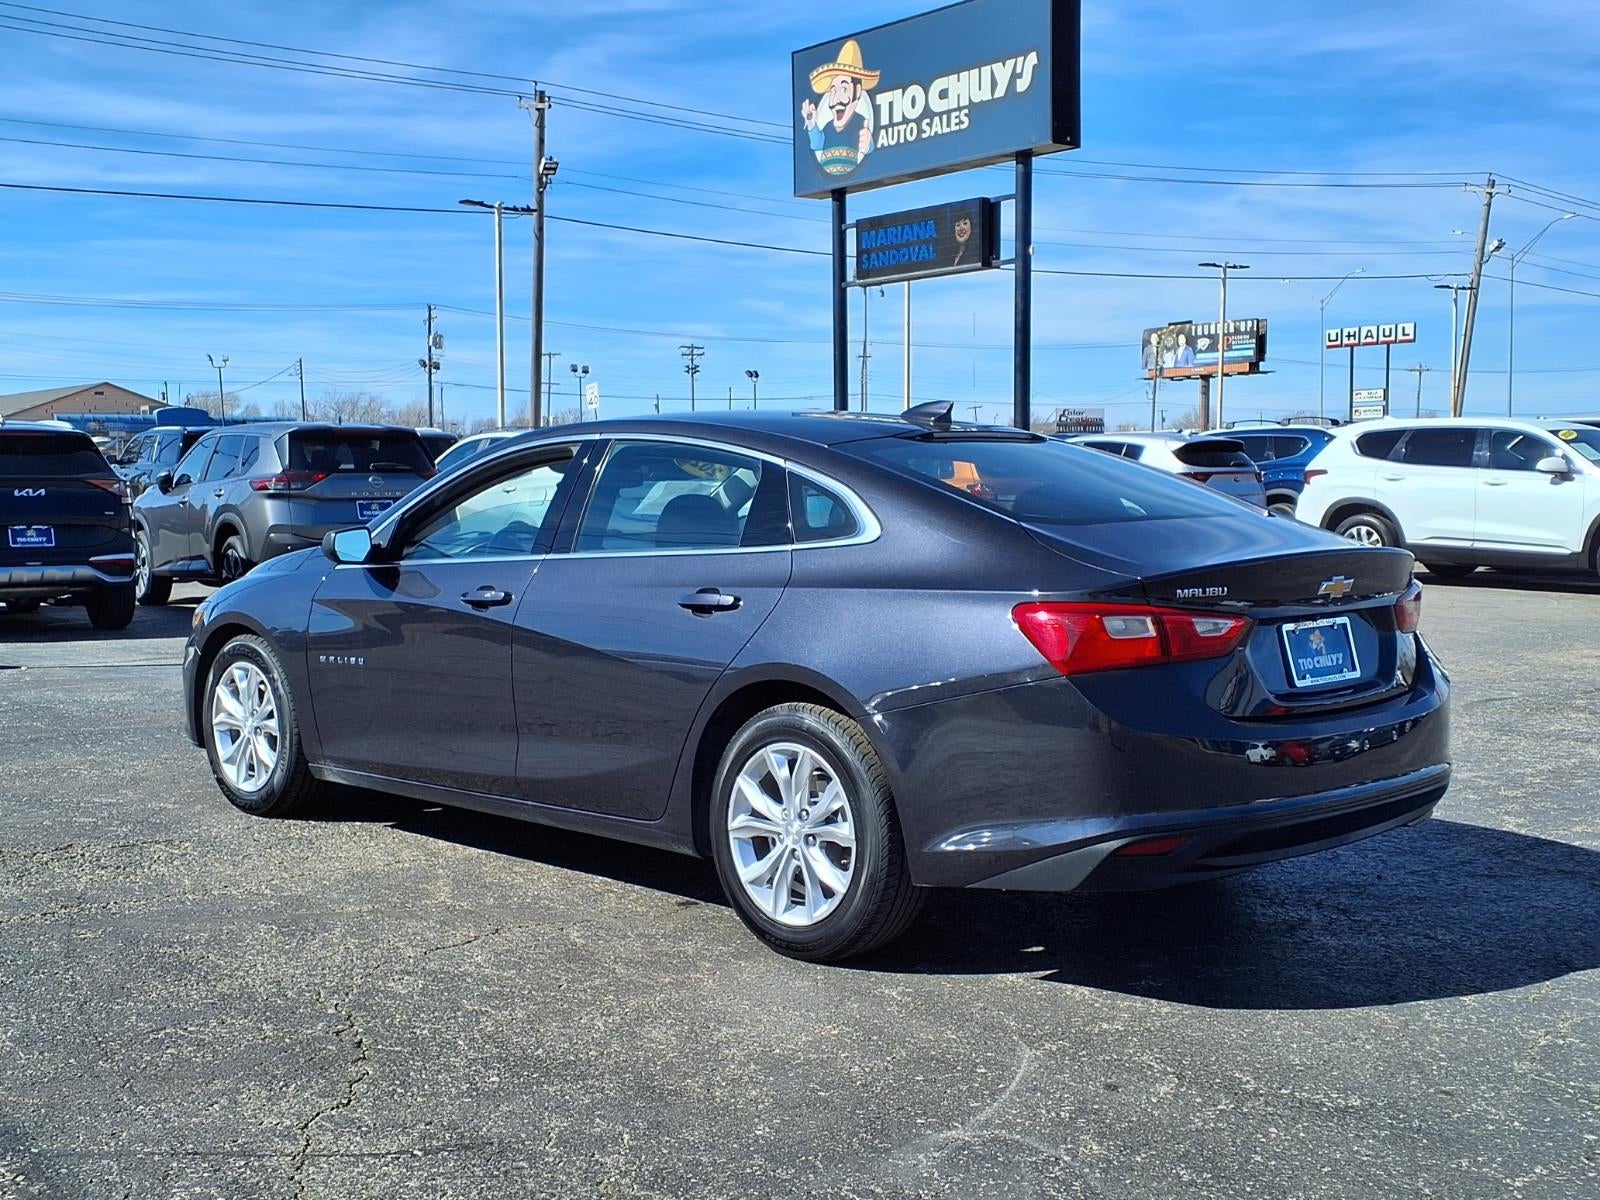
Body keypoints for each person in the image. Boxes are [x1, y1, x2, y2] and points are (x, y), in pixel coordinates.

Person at [800, 40, 878, 180]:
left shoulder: (860, 123)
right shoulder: (829, 126)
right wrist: (812, 125)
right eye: (833, 91)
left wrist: (869, 146)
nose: (836, 99)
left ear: (858, 90)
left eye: (844, 89)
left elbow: (868, 147)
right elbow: (817, 144)